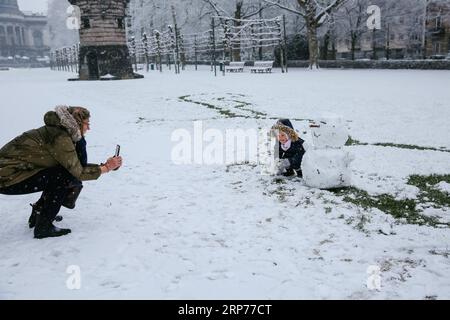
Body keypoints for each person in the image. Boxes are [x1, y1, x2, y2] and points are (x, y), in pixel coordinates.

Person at [0, 106, 123, 239]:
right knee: (63, 177)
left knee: (61, 173)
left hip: (12, 174)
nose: (89, 128)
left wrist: (103, 163)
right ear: (78, 123)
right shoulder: (59, 137)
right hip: (7, 178)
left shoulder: (60, 131)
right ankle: (43, 226)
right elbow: (78, 172)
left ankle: (39, 212)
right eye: (87, 124)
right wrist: (106, 167)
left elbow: (76, 165)